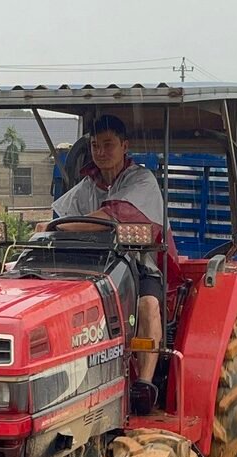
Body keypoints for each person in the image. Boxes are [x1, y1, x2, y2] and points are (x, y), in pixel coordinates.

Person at [46, 114, 172, 415]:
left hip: (138, 266)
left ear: (124, 146)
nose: (100, 152)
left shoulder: (141, 180)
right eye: (94, 145)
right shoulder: (88, 185)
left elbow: (111, 217)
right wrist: (50, 227)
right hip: (92, 270)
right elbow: (57, 216)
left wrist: (61, 227)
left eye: (108, 144)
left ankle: (144, 384)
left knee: (148, 305)